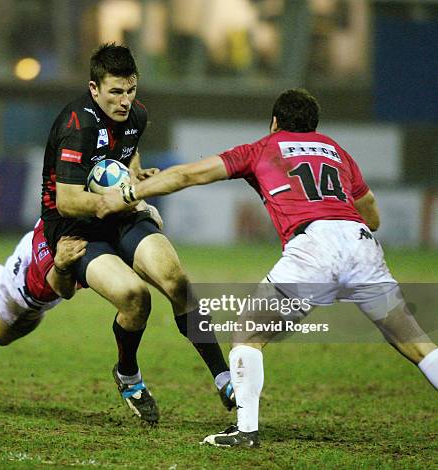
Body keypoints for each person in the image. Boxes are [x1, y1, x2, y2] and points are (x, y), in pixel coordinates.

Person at [97, 88, 438, 446]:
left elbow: (189, 175)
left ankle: (245, 432)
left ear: (275, 122)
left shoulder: (262, 149)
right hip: (361, 245)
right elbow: (371, 215)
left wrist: (132, 192)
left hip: (313, 248)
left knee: (246, 336)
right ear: (313, 126)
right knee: (418, 345)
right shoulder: (337, 152)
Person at [40, 43, 233, 423]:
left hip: (121, 213)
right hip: (76, 228)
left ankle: (225, 376)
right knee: (134, 297)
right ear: (94, 89)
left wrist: (135, 177)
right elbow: (66, 200)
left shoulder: (136, 115)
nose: (125, 100)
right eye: (115, 92)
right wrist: (127, 199)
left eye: (130, 90)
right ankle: (128, 372)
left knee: (176, 280)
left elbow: (128, 153)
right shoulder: (76, 127)